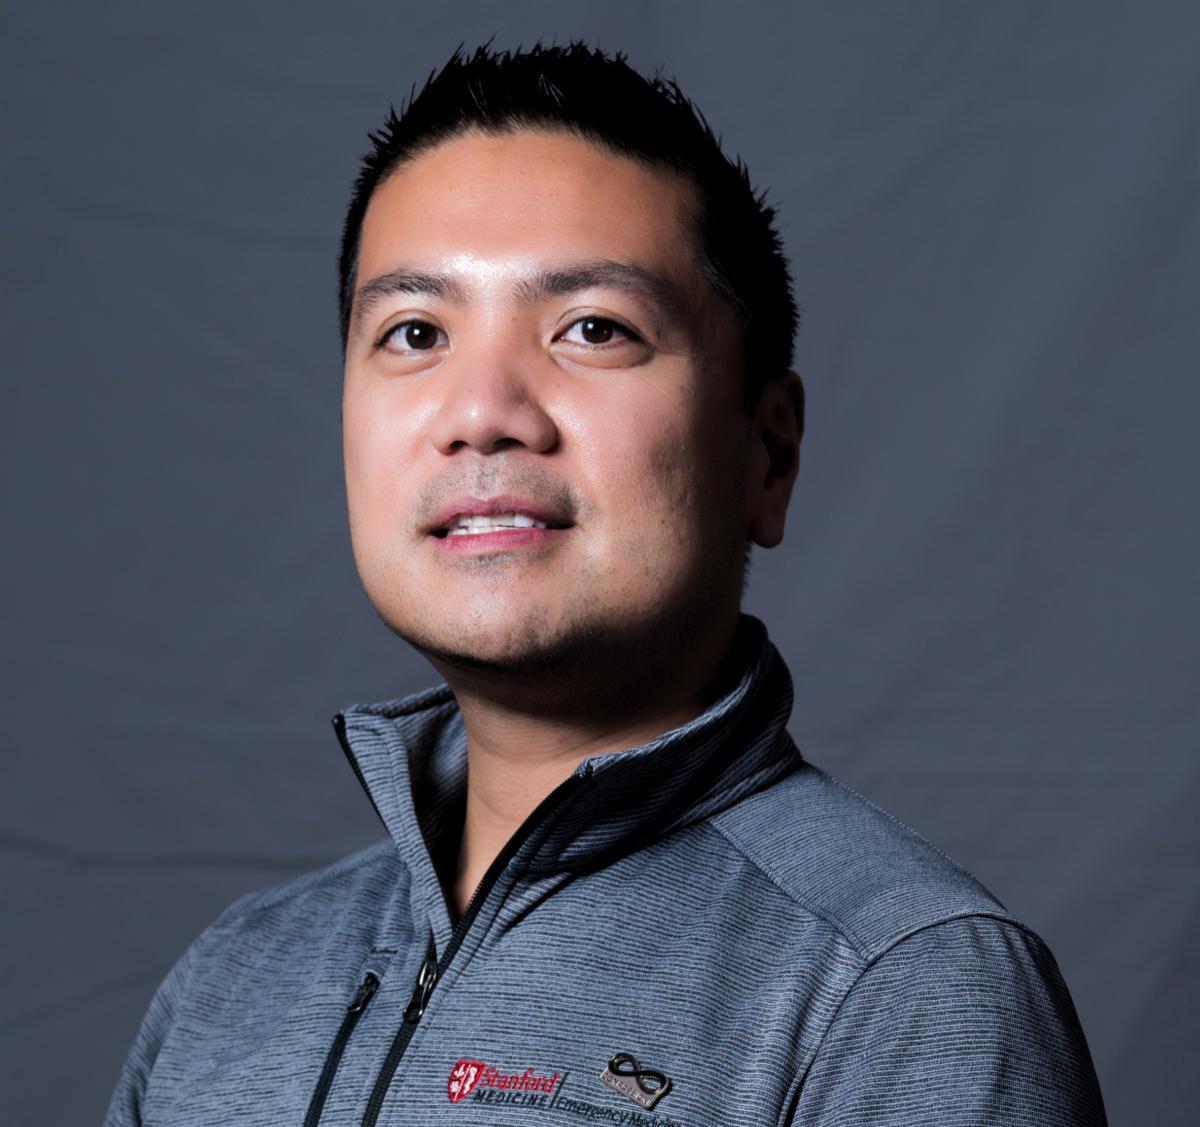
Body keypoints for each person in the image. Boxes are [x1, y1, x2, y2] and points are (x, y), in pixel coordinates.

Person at [105, 42, 1107, 1126]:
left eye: (593, 329)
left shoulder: (905, 989)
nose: (482, 411)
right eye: (415, 332)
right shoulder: (235, 978)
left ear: (767, 453)